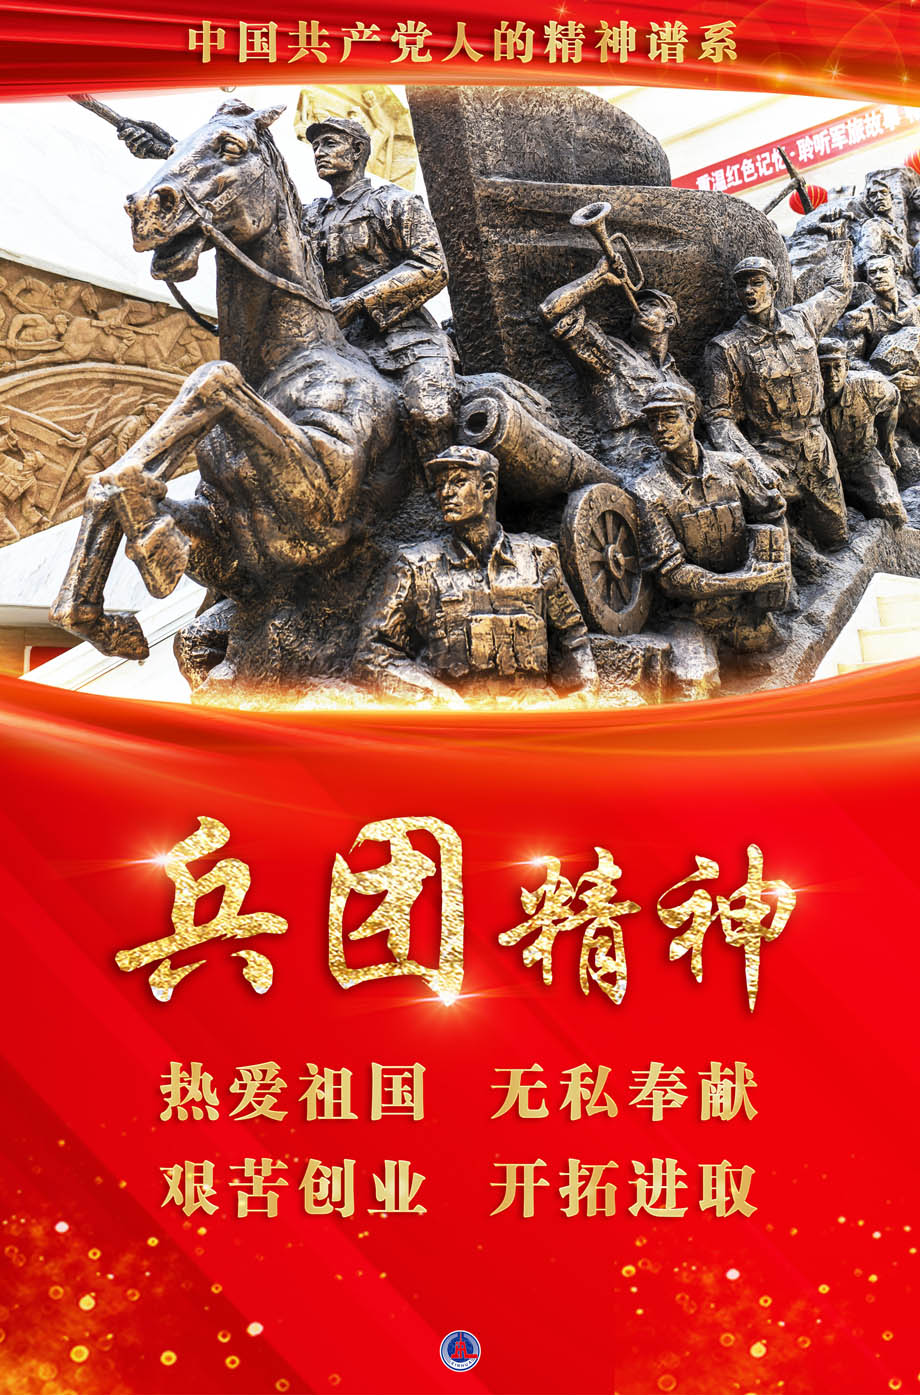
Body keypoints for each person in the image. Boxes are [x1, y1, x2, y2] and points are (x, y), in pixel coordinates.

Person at [355, 444, 599, 707]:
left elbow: (572, 638)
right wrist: (439, 699)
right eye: (440, 485)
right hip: (456, 721)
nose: (445, 493)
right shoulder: (416, 566)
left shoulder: (539, 558)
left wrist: (581, 697)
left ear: (488, 486)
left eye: (458, 482)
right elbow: (373, 652)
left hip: (533, 717)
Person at [303, 115, 457, 461]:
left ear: (357, 150)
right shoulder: (309, 217)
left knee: (429, 413)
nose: (319, 153)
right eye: (315, 146)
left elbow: (432, 266)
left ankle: (448, 484)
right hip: (337, 342)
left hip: (405, 338)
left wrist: (358, 302)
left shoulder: (395, 202)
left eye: (329, 143)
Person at [703, 250, 853, 552]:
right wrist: (755, 464)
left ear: (774, 286)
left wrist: (838, 244)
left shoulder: (802, 320)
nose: (749, 291)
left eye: (757, 283)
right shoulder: (726, 349)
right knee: (775, 538)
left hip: (816, 449)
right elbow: (718, 418)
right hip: (771, 454)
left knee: (837, 537)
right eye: (742, 285)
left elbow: (839, 290)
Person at [633, 384, 790, 653]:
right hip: (691, 618)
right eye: (652, 421)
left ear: (690, 416)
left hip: (749, 611)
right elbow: (671, 576)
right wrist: (745, 581)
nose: (660, 428)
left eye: (669, 418)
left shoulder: (734, 467)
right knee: (698, 674)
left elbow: (773, 513)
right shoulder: (646, 491)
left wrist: (778, 567)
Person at [539, 254, 694, 474]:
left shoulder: (683, 385)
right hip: (628, 466)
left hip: (678, 471)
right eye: (638, 305)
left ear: (669, 321)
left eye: (651, 305)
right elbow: (551, 311)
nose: (639, 308)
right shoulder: (613, 354)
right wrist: (599, 276)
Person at [817, 338, 908, 527]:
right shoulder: (805, 396)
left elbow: (893, 400)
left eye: (837, 367)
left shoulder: (869, 387)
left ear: (847, 367)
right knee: (830, 525)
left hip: (862, 460)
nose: (831, 375)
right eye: (824, 368)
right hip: (823, 468)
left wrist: (888, 447)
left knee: (893, 512)